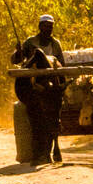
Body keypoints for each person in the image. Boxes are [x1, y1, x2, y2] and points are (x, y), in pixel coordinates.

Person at [12, 15, 66, 165]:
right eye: (46, 26)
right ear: (39, 26)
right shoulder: (30, 42)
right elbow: (15, 60)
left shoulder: (56, 44)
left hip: (52, 85)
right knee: (35, 120)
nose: (49, 29)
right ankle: (38, 154)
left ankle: (48, 151)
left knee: (51, 117)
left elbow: (62, 63)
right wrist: (18, 52)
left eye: (51, 26)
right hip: (34, 86)